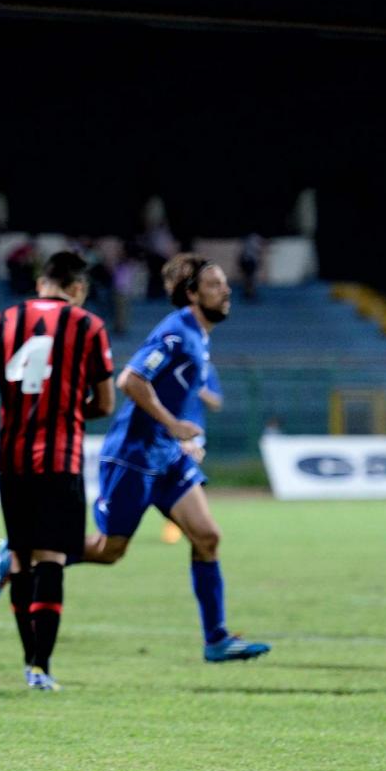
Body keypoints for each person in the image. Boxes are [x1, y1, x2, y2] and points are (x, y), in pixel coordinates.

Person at [83, 253, 270, 662]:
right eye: (215, 285)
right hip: (133, 456)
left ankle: (216, 640)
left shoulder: (200, 337)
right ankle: (27, 550)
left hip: (167, 456)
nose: (226, 291)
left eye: (225, 283)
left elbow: (183, 394)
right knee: (109, 550)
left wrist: (181, 435)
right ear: (192, 294)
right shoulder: (177, 331)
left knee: (208, 537)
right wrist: (172, 423)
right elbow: (130, 379)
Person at [0, 252, 115, 691]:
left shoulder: (0, 323)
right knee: (52, 558)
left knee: (22, 558)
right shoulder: (88, 325)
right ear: (77, 289)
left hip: (12, 460)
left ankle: (29, 663)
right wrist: (69, 410)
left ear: (41, 283)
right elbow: (106, 403)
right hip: (60, 460)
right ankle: (42, 667)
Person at [160, 363, 222, 544]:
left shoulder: (206, 368)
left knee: (186, 478)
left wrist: (199, 389)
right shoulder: (168, 365)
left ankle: (177, 524)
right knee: (168, 478)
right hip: (167, 430)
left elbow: (216, 403)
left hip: (194, 432)